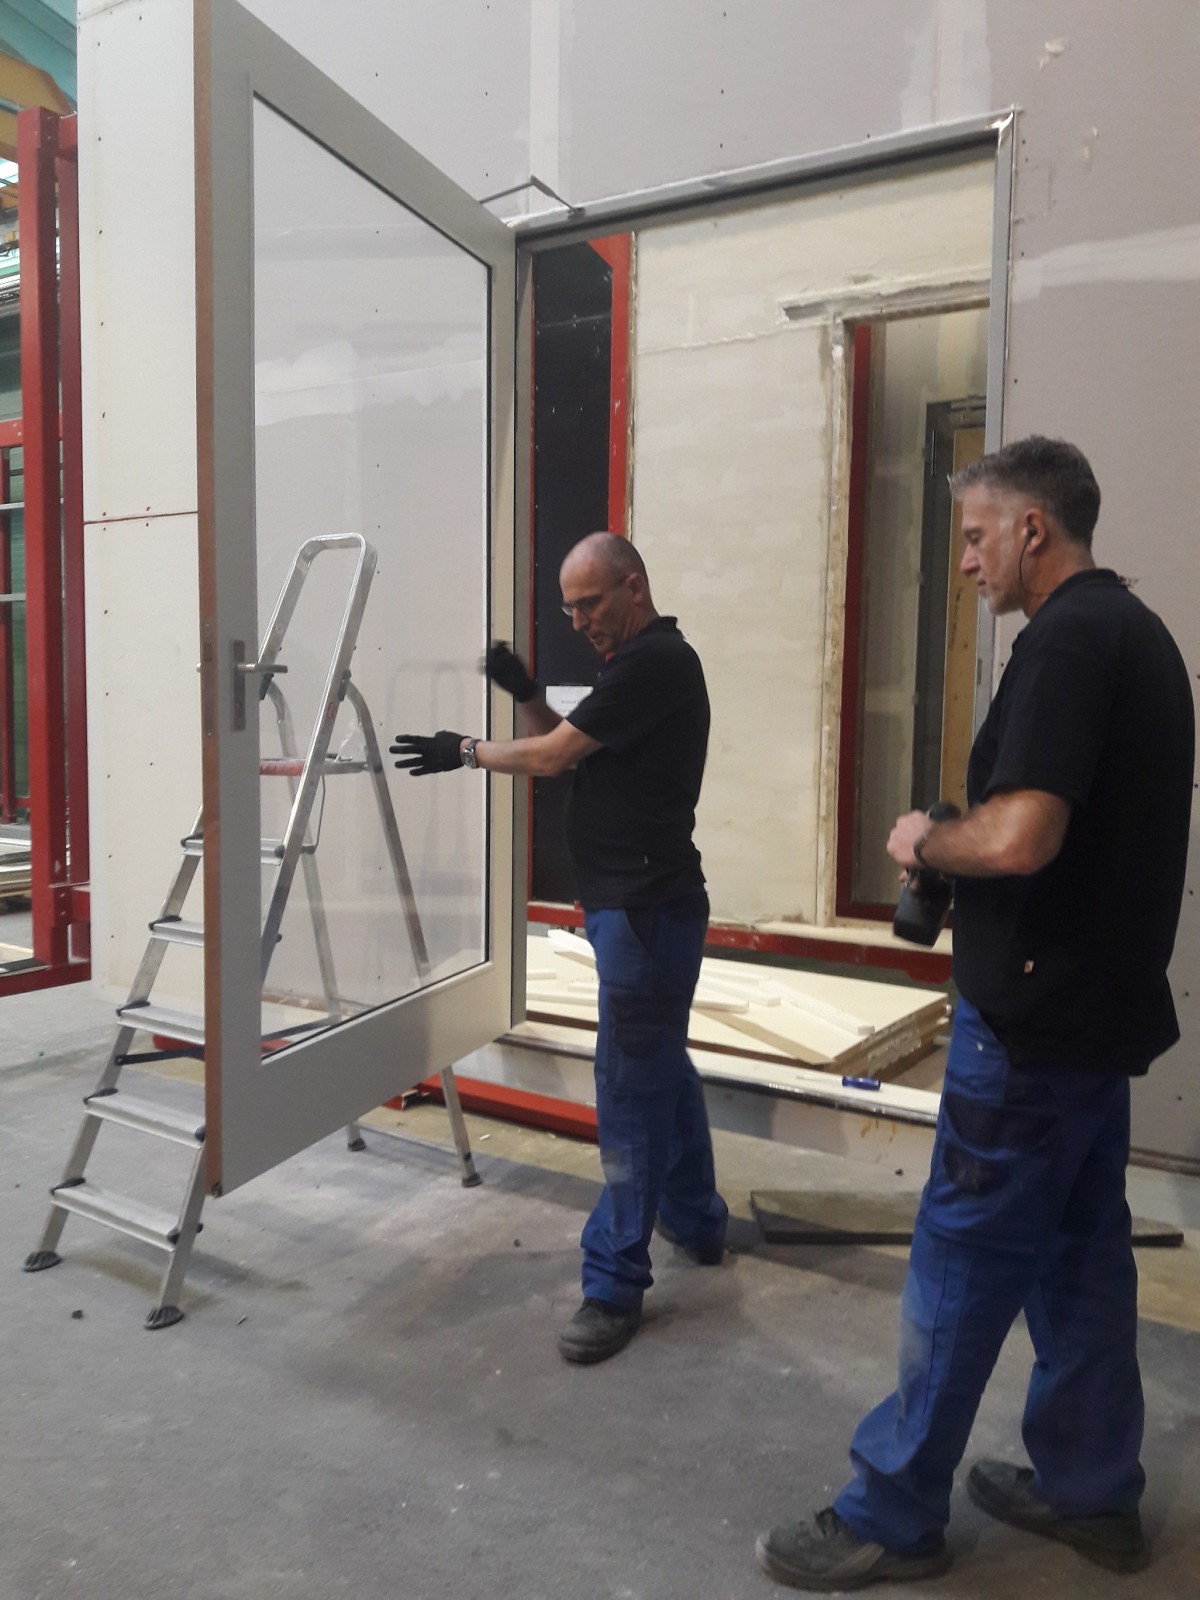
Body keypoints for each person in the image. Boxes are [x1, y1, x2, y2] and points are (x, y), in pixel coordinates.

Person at [756, 437, 1194, 1590]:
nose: (965, 561)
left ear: (1032, 528)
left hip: (1032, 1038)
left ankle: (892, 1511)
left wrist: (928, 842)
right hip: (1093, 1027)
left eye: (974, 534)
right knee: (1081, 1261)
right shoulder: (1140, 636)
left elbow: (1023, 836)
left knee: (957, 1266)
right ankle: (1093, 1491)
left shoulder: (1067, 640)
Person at [391, 531, 728, 1365]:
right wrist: (526, 693)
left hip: (644, 911)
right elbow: (572, 750)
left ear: (634, 586)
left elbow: (549, 758)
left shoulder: (656, 662)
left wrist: (465, 751)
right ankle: (698, 1222)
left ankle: (613, 1284)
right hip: (643, 908)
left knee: (629, 1093)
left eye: (591, 603)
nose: (579, 620)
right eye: (569, 608)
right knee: (660, 1068)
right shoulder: (633, 667)